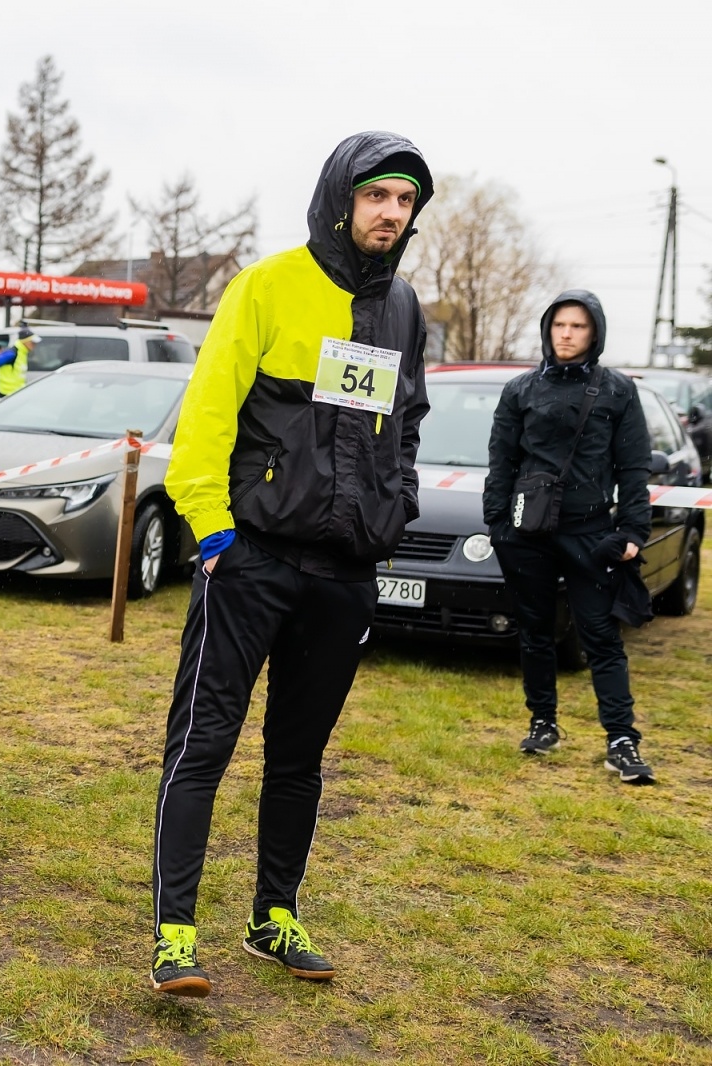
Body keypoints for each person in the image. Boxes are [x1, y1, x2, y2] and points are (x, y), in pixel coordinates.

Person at [152, 132, 434, 996]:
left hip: (345, 570)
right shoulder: (267, 286)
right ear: (342, 198)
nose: (391, 212)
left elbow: (407, 421)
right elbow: (207, 415)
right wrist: (212, 532)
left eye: (405, 200)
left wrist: (396, 503)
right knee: (202, 745)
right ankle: (174, 936)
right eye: (377, 195)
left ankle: (274, 917)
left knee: (299, 758)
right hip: (251, 558)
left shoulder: (404, 310)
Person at [483, 290, 655, 784]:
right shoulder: (520, 390)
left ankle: (621, 740)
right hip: (527, 534)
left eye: (578, 326)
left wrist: (633, 531)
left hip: (592, 534)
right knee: (535, 633)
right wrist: (497, 526)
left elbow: (634, 466)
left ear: (594, 333)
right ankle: (543, 723)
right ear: (547, 328)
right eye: (560, 324)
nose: (567, 334)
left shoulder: (618, 390)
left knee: (601, 638)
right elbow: (502, 462)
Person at [0, 327, 35, 395]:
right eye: (32, 342)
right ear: (25, 341)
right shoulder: (12, 353)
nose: (34, 344)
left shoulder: (23, 352)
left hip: (16, 392)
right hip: (6, 393)